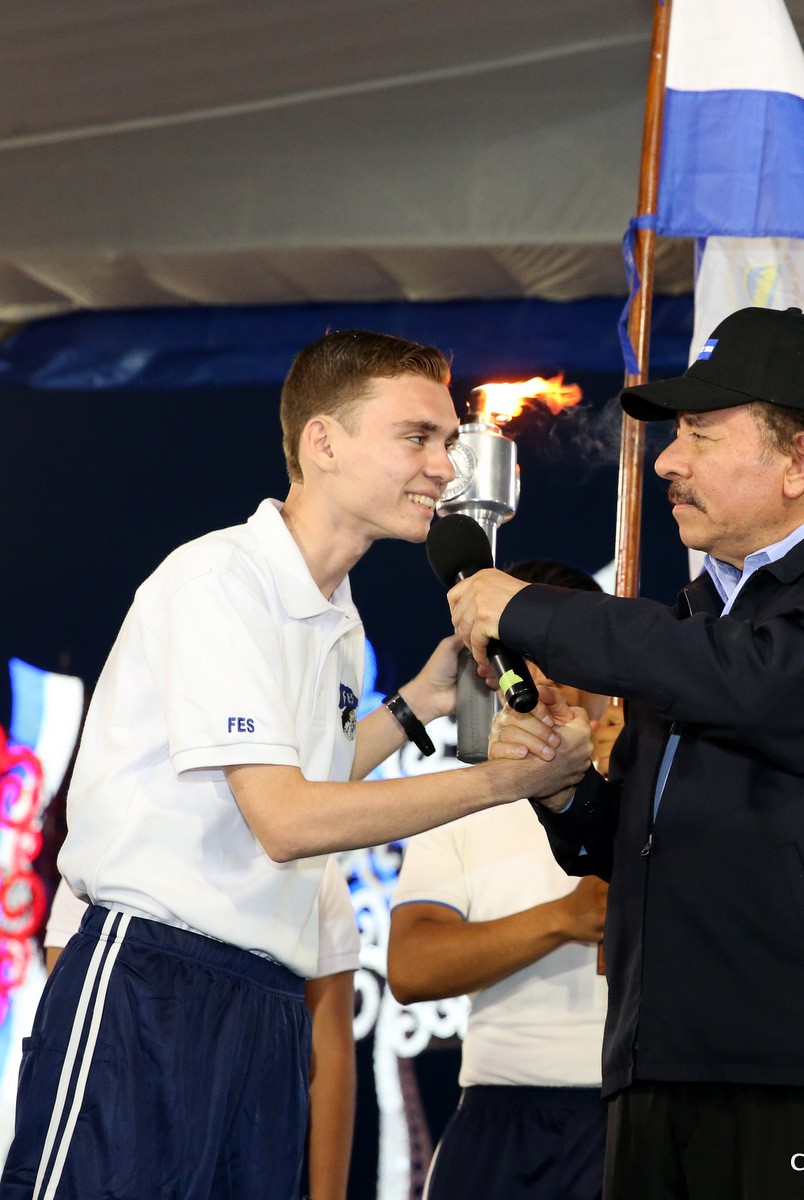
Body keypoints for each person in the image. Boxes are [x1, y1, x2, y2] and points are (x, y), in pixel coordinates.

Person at [2, 329, 592, 1200]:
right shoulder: (219, 581)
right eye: (416, 438)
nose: (443, 468)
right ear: (323, 442)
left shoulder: (337, 619)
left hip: (269, 996)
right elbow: (283, 821)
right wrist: (507, 781)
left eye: (447, 442)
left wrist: (418, 705)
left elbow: (314, 776)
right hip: (150, 979)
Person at [447, 306, 804, 1199]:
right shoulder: (697, 620)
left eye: (699, 431)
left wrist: (530, 610)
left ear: (799, 460)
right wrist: (568, 790)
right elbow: (641, 843)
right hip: (655, 1072)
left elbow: (761, 683)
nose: (666, 461)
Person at [387, 560, 622, 1200]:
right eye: (527, 658)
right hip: (499, 1112)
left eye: (567, 656)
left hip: (634, 1109)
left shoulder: (661, 787)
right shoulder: (463, 797)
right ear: (494, 672)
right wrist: (562, 919)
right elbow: (411, 967)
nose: (548, 682)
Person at [43, 866, 360, 1200]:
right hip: (117, 1119)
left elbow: (330, 1049)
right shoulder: (116, 853)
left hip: (252, 1135)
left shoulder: (315, 870)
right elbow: (65, 1022)